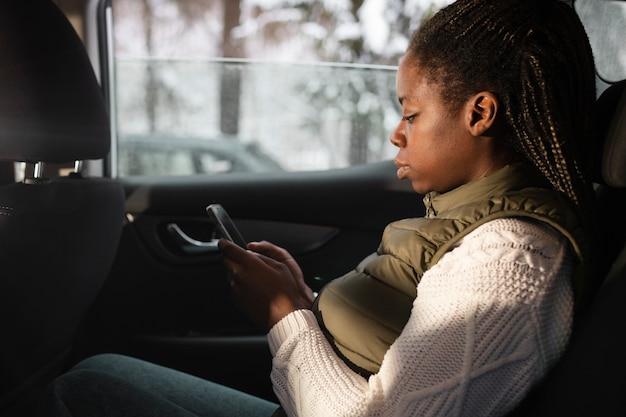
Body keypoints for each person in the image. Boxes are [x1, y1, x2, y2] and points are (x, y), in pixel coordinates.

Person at [40, 0, 597, 415]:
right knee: (97, 376)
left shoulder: (509, 259)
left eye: (411, 114)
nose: (395, 135)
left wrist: (287, 317)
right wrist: (302, 300)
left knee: (87, 385)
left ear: (479, 114)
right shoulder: (467, 220)